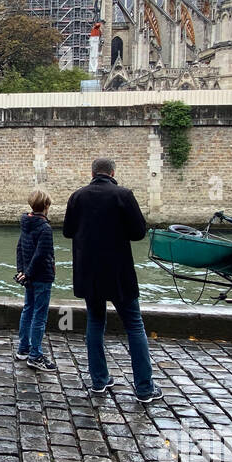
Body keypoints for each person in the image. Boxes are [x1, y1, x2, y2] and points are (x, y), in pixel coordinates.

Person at [62, 158, 160, 401]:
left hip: (89, 274)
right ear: (113, 173)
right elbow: (138, 232)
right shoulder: (123, 195)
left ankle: (99, 380)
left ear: (92, 172)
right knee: (134, 326)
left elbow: (67, 231)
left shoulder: (77, 196)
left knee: (95, 323)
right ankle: (145, 388)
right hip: (118, 273)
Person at [15, 188, 55, 369]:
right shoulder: (45, 228)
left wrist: (22, 271)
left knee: (27, 310)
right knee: (39, 316)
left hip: (28, 276)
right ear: (46, 206)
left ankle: (23, 348)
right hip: (41, 277)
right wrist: (28, 273)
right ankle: (35, 355)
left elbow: (19, 249)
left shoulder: (25, 223)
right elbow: (41, 255)